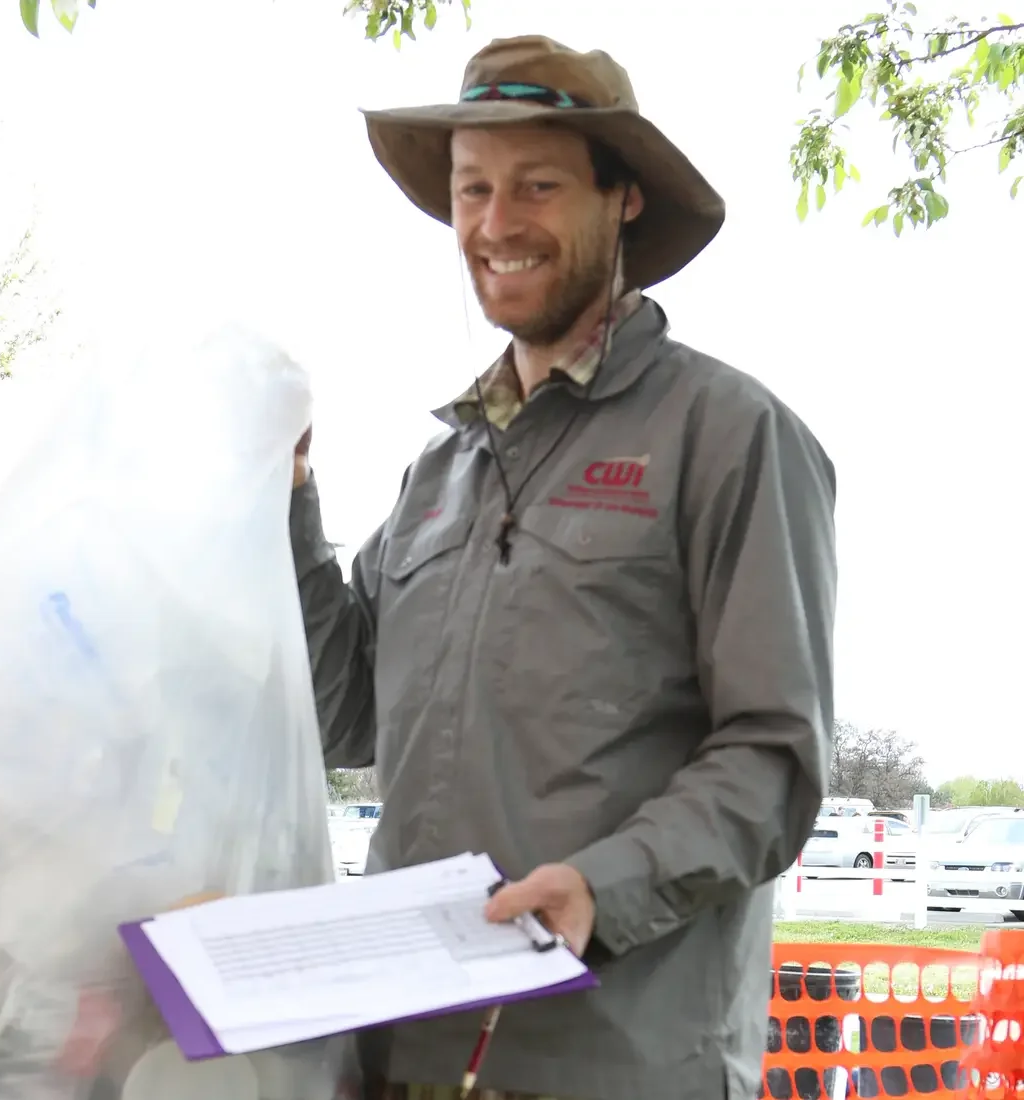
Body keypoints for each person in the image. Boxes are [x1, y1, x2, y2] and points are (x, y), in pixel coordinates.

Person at [290, 34, 836, 1100]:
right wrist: (286, 503)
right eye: (472, 189)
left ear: (620, 199)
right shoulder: (439, 466)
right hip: (403, 1055)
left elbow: (772, 759)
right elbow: (344, 710)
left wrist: (603, 883)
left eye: (536, 185)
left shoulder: (730, 436)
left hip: (615, 1065)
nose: (495, 224)